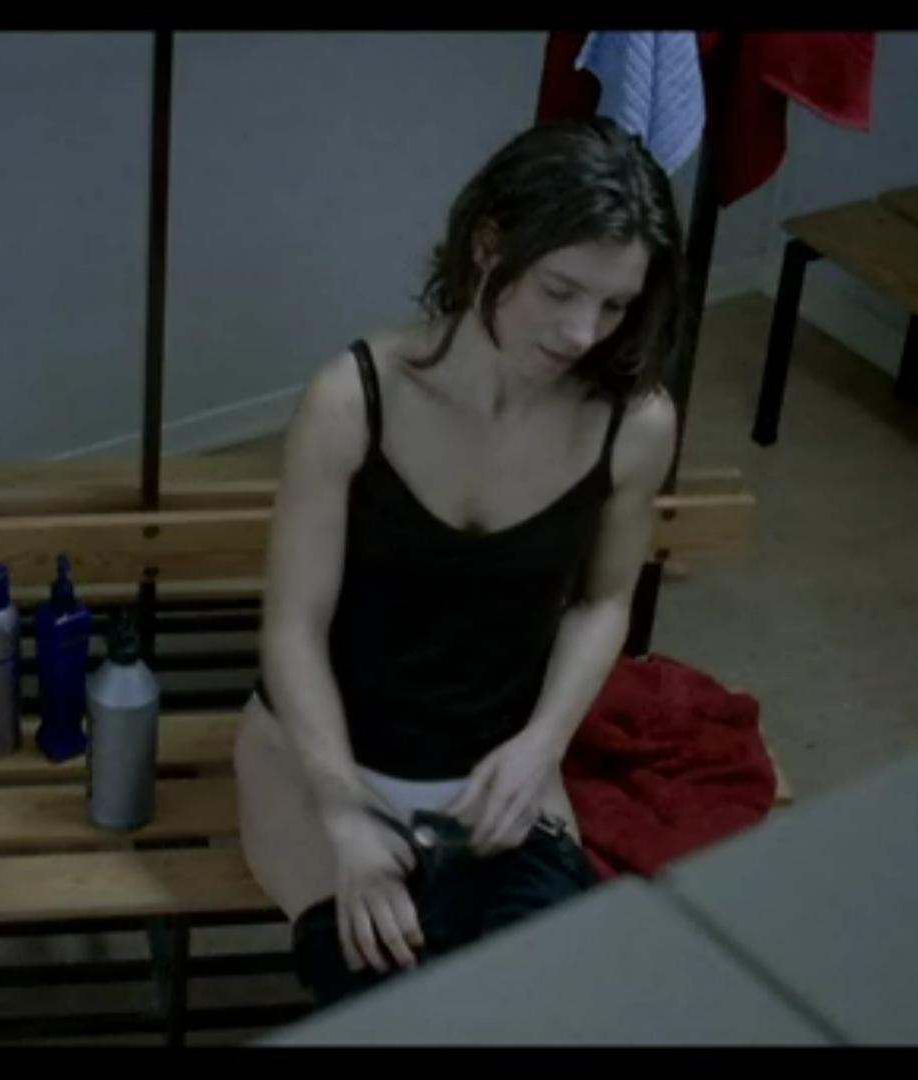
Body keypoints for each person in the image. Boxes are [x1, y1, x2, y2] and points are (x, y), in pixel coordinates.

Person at [234, 117, 687, 1007]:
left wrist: (543, 745)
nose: (582, 331)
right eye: (559, 289)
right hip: (317, 757)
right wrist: (342, 810)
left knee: (557, 1000)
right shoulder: (353, 399)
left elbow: (603, 604)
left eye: (614, 306)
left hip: (493, 769)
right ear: (488, 246)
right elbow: (292, 628)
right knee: (393, 1005)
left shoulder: (634, 425)